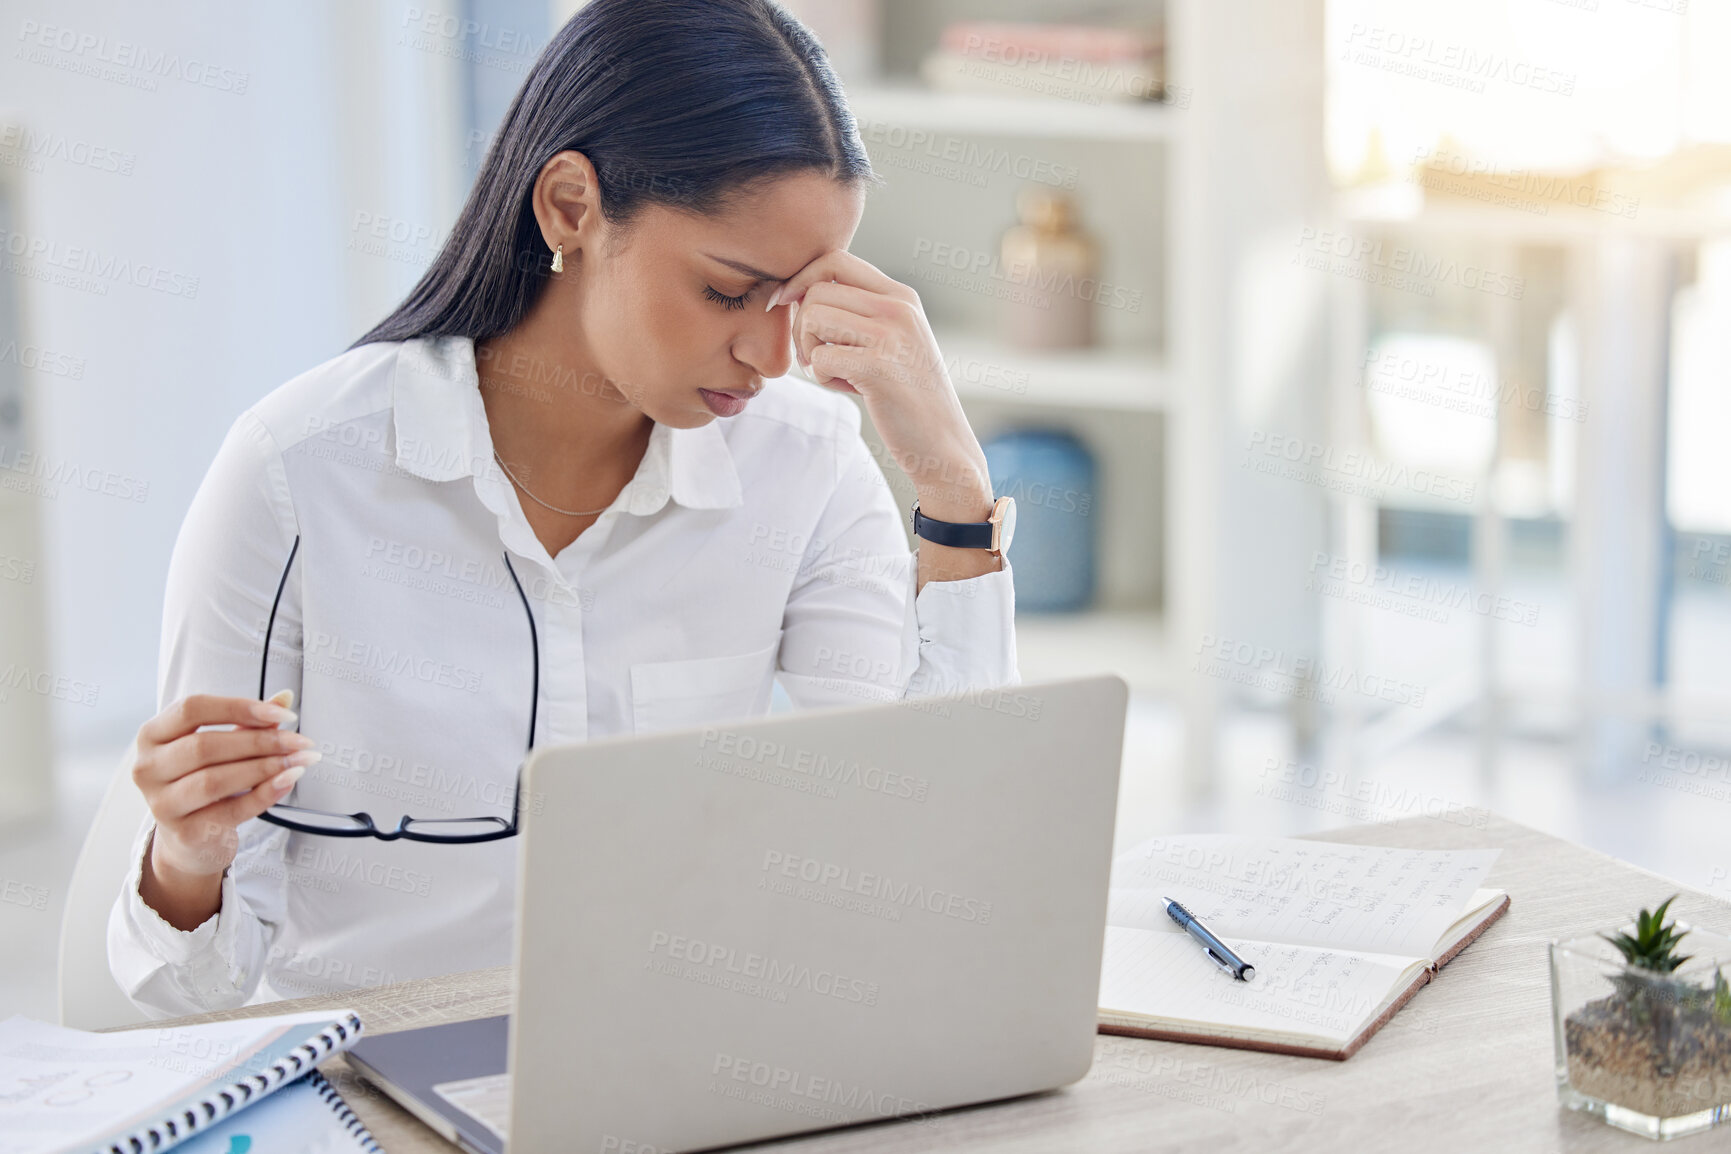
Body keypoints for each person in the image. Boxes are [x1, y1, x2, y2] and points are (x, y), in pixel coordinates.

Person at [109, 0, 1018, 1017]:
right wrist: (189, 850)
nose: (773, 356)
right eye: (729, 291)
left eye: (800, 300)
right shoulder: (298, 474)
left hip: (677, 1062)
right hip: (372, 1080)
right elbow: (185, 994)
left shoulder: (804, 468)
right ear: (571, 206)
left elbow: (924, 866)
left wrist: (950, 484)